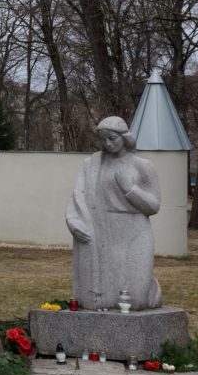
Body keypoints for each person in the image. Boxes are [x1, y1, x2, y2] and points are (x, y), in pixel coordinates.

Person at [66, 116, 162, 311]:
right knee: (103, 300)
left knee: (136, 302)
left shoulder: (142, 166)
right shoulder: (93, 165)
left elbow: (153, 206)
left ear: (124, 137)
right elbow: (78, 195)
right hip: (103, 230)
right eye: (103, 140)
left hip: (135, 230)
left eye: (112, 138)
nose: (108, 144)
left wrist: (130, 190)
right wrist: (72, 220)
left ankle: (151, 291)